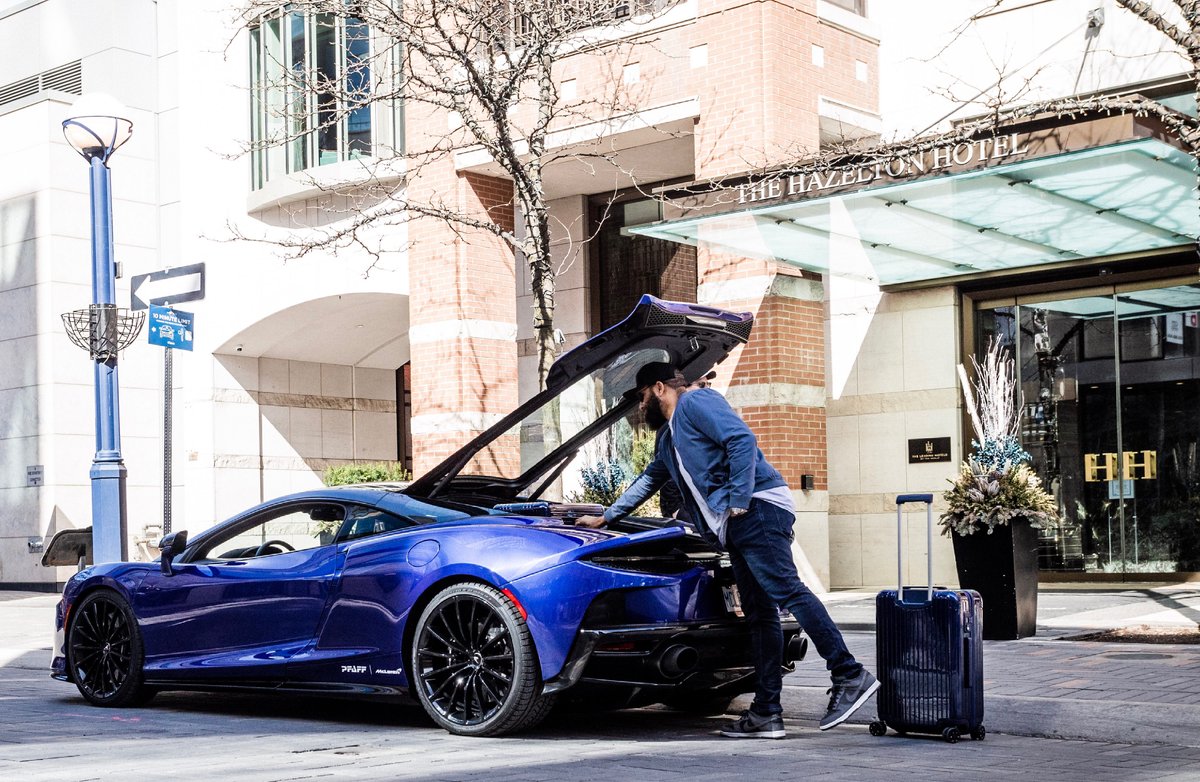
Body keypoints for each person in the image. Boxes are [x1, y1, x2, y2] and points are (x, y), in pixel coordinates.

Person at [578, 362, 878, 739]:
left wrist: (738, 499)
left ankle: (849, 674)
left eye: (640, 398)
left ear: (657, 388)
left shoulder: (696, 402)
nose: (640, 409)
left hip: (756, 508)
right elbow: (650, 479)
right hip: (737, 521)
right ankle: (767, 713)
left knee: (786, 589)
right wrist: (606, 517)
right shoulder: (667, 440)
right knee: (760, 612)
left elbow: (740, 439)